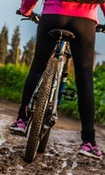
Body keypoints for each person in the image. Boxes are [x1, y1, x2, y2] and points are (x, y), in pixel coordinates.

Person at [10, 0, 105, 160]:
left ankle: (22, 120)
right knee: (84, 80)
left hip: (52, 16)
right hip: (85, 21)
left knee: (37, 68)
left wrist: (26, 10)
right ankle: (88, 142)